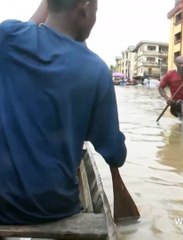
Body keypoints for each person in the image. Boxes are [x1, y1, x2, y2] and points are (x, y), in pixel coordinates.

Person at [0, 0, 126, 224]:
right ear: (86, 8)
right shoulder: (95, 70)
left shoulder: (8, 37)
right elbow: (114, 152)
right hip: (52, 207)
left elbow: (29, 30)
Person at [158, 55, 183, 121]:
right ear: (176, 64)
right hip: (175, 103)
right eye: (180, 63)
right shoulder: (169, 75)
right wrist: (167, 98)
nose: (182, 65)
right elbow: (160, 88)